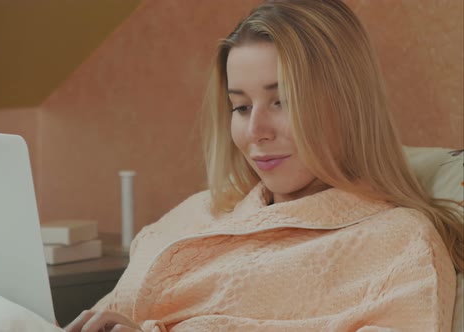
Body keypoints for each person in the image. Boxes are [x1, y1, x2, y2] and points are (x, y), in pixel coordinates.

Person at [65, 0, 463, 331]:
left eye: (282, 101)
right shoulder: (199, 211)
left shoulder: (400, 245)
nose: (255, 131)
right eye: (240, 106)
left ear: (347, 105)